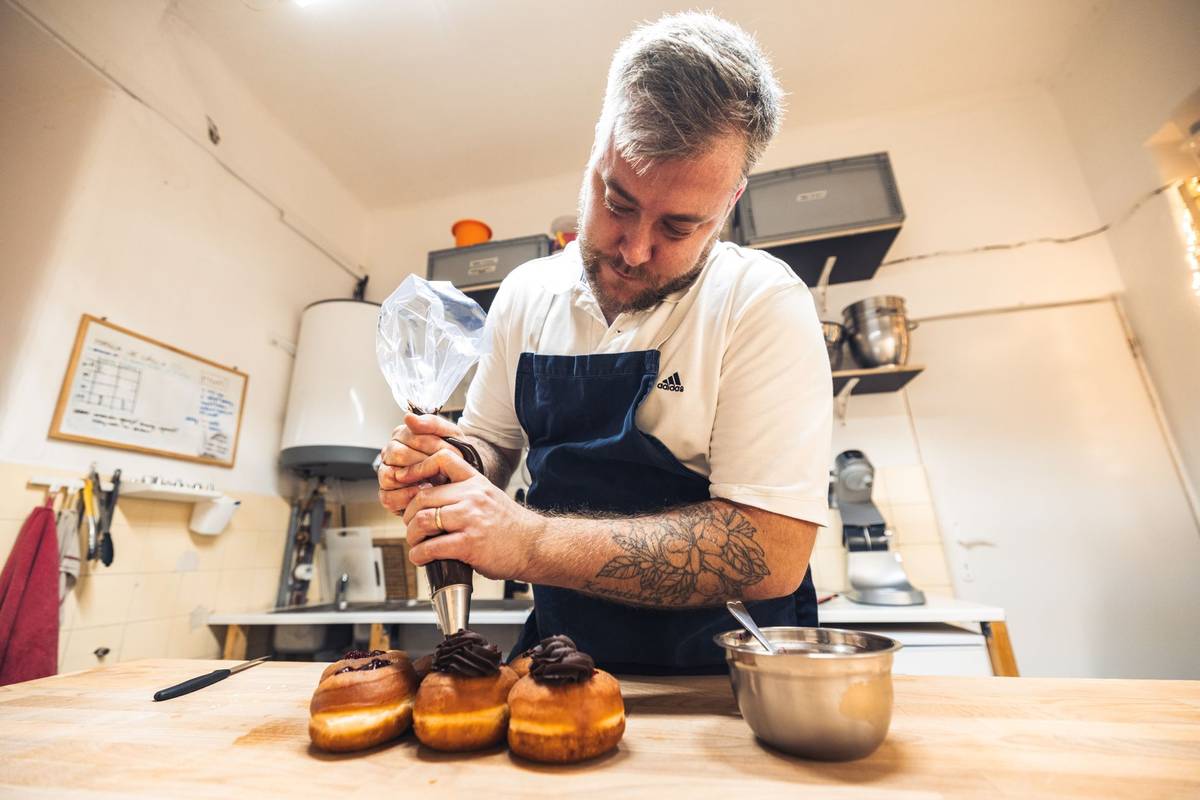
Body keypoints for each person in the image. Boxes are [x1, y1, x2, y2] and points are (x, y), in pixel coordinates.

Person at [378, 11, 832, 674]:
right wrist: (448, 463)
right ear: (594, 156)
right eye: (618, 202)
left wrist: (527, 543)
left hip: (729, 683)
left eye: (678, 227)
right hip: (563, 662)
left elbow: (771, 551)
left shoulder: (759, 302)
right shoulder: (526, 295)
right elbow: (492, 448)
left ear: (729, 202)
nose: (635, 249)